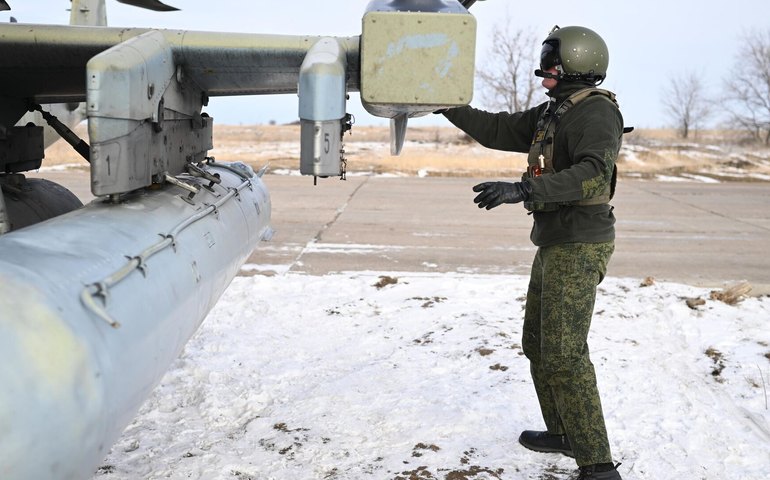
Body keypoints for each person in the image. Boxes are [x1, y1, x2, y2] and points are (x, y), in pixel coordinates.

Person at [441, 25, 625, 480]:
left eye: (552, 68)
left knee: (564, 353)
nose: (544, 78)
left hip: (580, 243)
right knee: (538, 344)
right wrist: (444, 104)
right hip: (555, 240)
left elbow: (592, 176)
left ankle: (598, 465)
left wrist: (522, 189)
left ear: (577, 65)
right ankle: (565, 432)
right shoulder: (555, 112)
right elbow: (497, 127)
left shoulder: (595, 114)